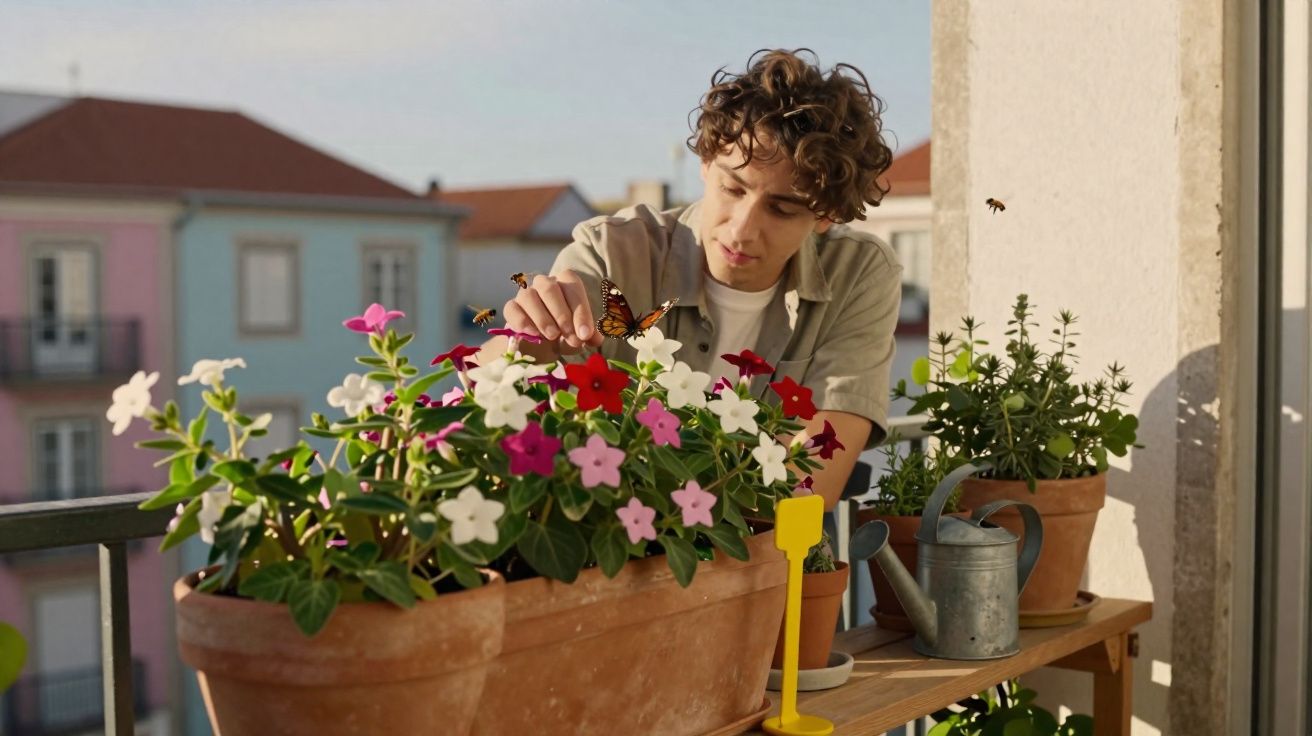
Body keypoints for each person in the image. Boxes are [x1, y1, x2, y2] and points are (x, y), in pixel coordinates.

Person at [479, 48, 901, 511]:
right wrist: (527, 340)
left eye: (781, 208)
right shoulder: (613, 252)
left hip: (756, 565)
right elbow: (490, 397)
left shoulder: (859, 274)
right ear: (704, 162)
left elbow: (812, 484)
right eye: (732, 188)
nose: (742, 228)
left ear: (826, 216)